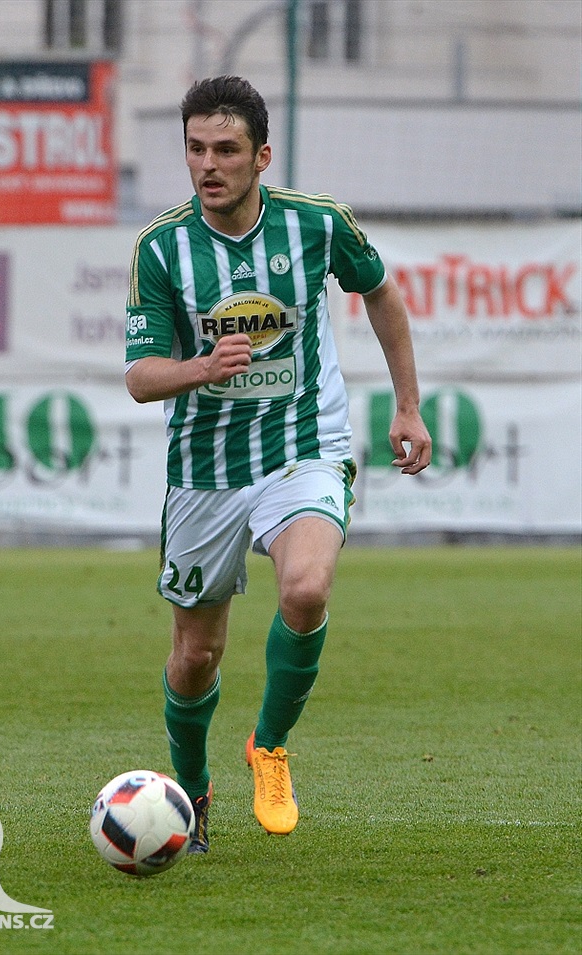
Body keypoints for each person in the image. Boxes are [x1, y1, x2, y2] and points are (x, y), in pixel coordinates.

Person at [125, 75, 431, 853]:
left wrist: (407, 405)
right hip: (205, 470)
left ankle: (268, 744)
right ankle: (189, 793)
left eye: (226, 150)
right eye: (196, 149)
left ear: (262, 155)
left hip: (305, 448)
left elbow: (383, 296)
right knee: (196, 656)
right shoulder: (162, 248)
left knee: (305, 586)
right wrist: (200, 366)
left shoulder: (319, 226)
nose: (208, 165)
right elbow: (139, 376)